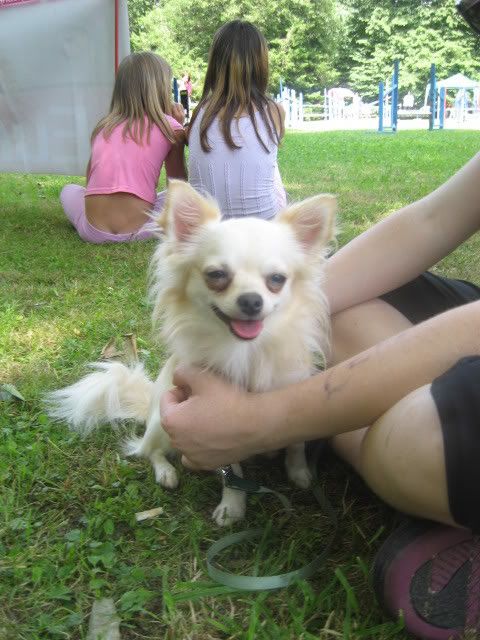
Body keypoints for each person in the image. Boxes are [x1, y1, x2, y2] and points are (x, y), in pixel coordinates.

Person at [159, 3, 480, 637]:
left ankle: (422, 475)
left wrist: (261, 420)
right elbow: (431, 221)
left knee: (411, 442)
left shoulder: (198, 121)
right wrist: (291, 286)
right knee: (342, 318)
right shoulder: (266, 116)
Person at [60, 52, 187, 244]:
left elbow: (90, 183)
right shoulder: (170, 127)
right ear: (161, 89)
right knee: (178, 195)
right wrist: (179, 127)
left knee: (69, 190)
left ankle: (91, 221)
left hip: (93, 232)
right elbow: (179, 187)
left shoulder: (103, 127)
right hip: (143, 229)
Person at [187, 20, 287, 220]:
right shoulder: (275, 112)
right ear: (260, 64)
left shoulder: (200, 113)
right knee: (273, 175)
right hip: (263, 227)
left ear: (215, 64)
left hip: (208, 230)